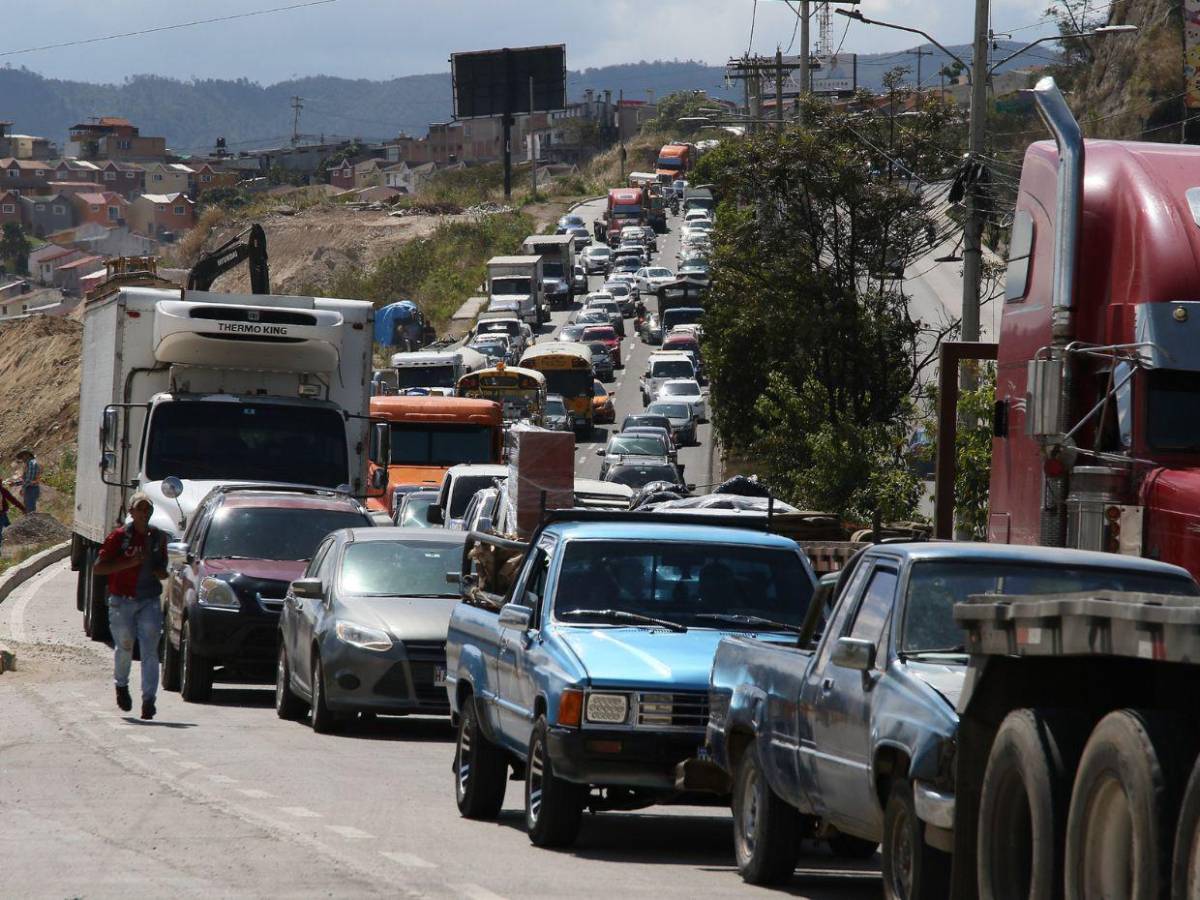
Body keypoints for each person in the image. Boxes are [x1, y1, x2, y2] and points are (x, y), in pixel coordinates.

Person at [93, 492, 168, 720]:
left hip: (149, 600)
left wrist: (159, 571)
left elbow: (163, 571)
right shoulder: (119, 537)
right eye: (140, 508)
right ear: (131, 512)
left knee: (150, 650)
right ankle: (121, 685)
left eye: (148, 509)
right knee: (125, 646)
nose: (144, 513)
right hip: (121, 599)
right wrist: (129, 563)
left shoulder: (158, 538)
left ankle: (149, 700)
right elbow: (99, 568)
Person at [0, 481, 25, 554]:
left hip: (3, 514)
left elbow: (12, 499)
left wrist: (22, 508)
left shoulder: (2, 490)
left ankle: (18, 545)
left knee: (9, 527)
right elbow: (12, 499)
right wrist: (23, 509)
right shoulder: (2, 490)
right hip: (1, 515)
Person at [15, 449, 40, 514]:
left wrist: (23, 488)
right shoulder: (30, 463)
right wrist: (16, 483)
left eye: (23, 456)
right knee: (29, 510)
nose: (22, 459)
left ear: (27, 455)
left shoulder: (31, 463)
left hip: (31, 489)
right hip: (30, 488)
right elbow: (27, 479)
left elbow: (29, 479)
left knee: (30, 511)